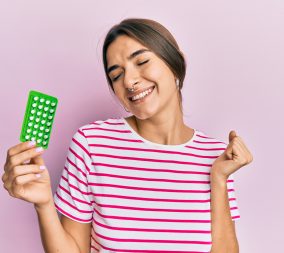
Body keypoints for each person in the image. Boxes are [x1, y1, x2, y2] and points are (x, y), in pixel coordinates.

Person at [2, 18, 253, 253]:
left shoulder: (215, 156)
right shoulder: (92, 144)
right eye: (116, 75)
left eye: (142, 62)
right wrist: (44, 204)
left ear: (178, 64)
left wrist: (218, 179)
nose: (129, 81)